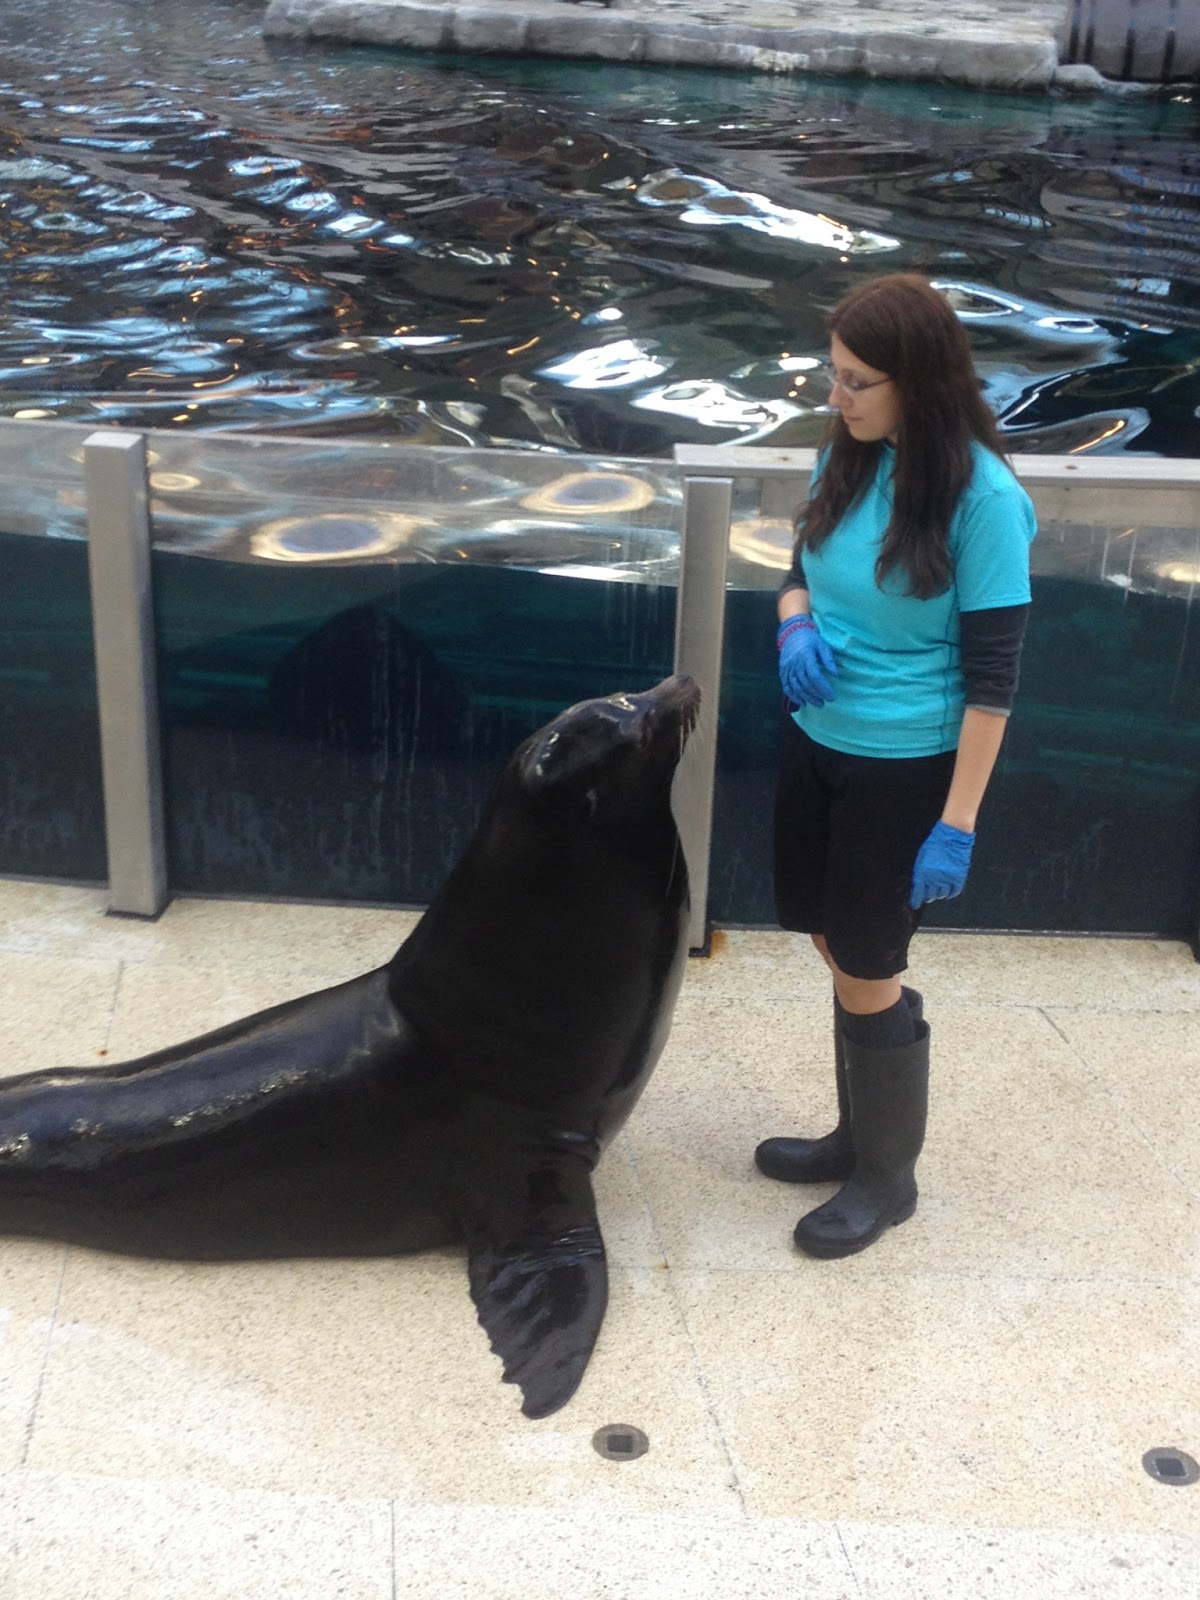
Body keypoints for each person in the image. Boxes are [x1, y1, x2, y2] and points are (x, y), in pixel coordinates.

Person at [755, 273, 1036, 1259]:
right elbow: (796, 571)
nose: (836, 397)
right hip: (819, 742)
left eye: (857, 381)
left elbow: (994, 684)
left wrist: (956, 822)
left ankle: (888, 1178)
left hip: (907, 768)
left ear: (918, 382)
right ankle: (858, 1134)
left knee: (867, 964)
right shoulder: (848, 450)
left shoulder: (984, 501)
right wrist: (794, 624)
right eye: (833, 374)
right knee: (834, 943)